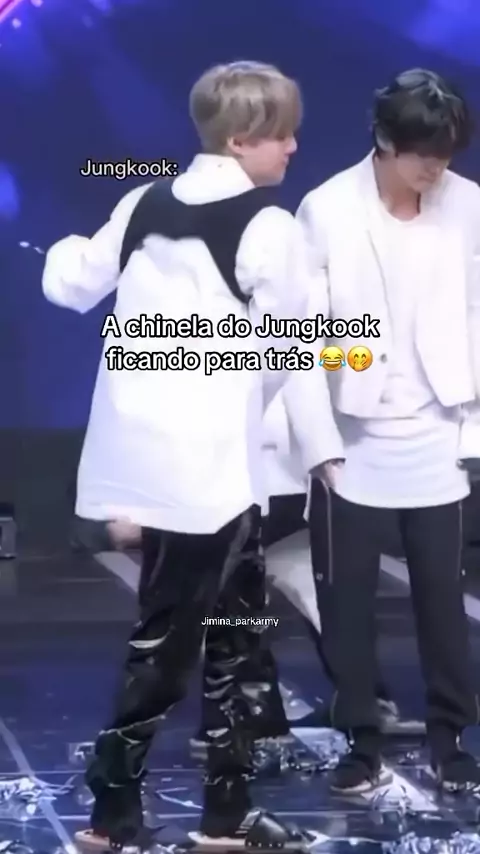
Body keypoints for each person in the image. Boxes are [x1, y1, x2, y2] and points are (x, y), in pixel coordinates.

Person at [42, 61, 320, 852]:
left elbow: (70, 283)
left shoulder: (141, 201)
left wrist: (65, 246)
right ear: (241, 140)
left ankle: (224, 812)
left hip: (152, 461)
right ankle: (113, 809)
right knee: (176, 641)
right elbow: (285, 347)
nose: (293, 147)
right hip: (212, 468)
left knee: (230, 634)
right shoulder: (270, 226)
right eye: (282, 134)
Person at [285, 68, 480, 794]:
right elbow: (299, 338)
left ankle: (450, 736)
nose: (435, 168)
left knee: (443, 601)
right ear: (383, 141)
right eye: (422, 154)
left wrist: (471, 431)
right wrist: (320, 443)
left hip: (441, 431)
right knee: (347, 604)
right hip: (353, 439)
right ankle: (361, 739)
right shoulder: (327, 208)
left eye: (446, 154)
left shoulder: (469, 206)